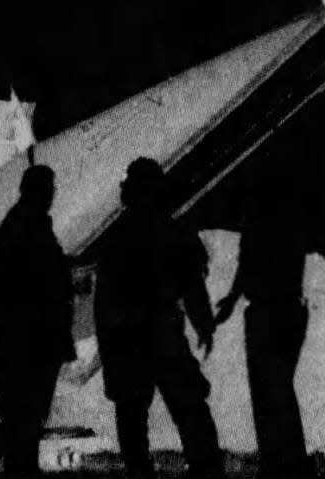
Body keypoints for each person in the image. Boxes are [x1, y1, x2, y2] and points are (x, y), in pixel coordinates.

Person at [215, 204, 325, 479]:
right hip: (286, 312)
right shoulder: (292, 217)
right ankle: (288, 463)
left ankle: (280, 463)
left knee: (267, 391)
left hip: (264, 314)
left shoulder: (256, 218)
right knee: (278, 390)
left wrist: (232, 301)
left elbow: (245, 265)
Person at [94, 157, 224, 479]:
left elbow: (103, 302)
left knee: (132, 421)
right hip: (164, 336)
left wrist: (109, 354)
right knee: (191, 411)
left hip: (127, 342)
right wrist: (203, 325)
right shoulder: (173, 231)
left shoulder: (116, 237)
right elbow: (192, 285)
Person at [0, 165, 75, 476]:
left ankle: (23, 467)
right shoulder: (29, 227)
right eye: (49, 188)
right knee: (27, 413)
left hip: (24, 342)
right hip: (32, 343)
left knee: (26, 416)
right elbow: (41, 283)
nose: (53, 194)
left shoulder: (20, 225)